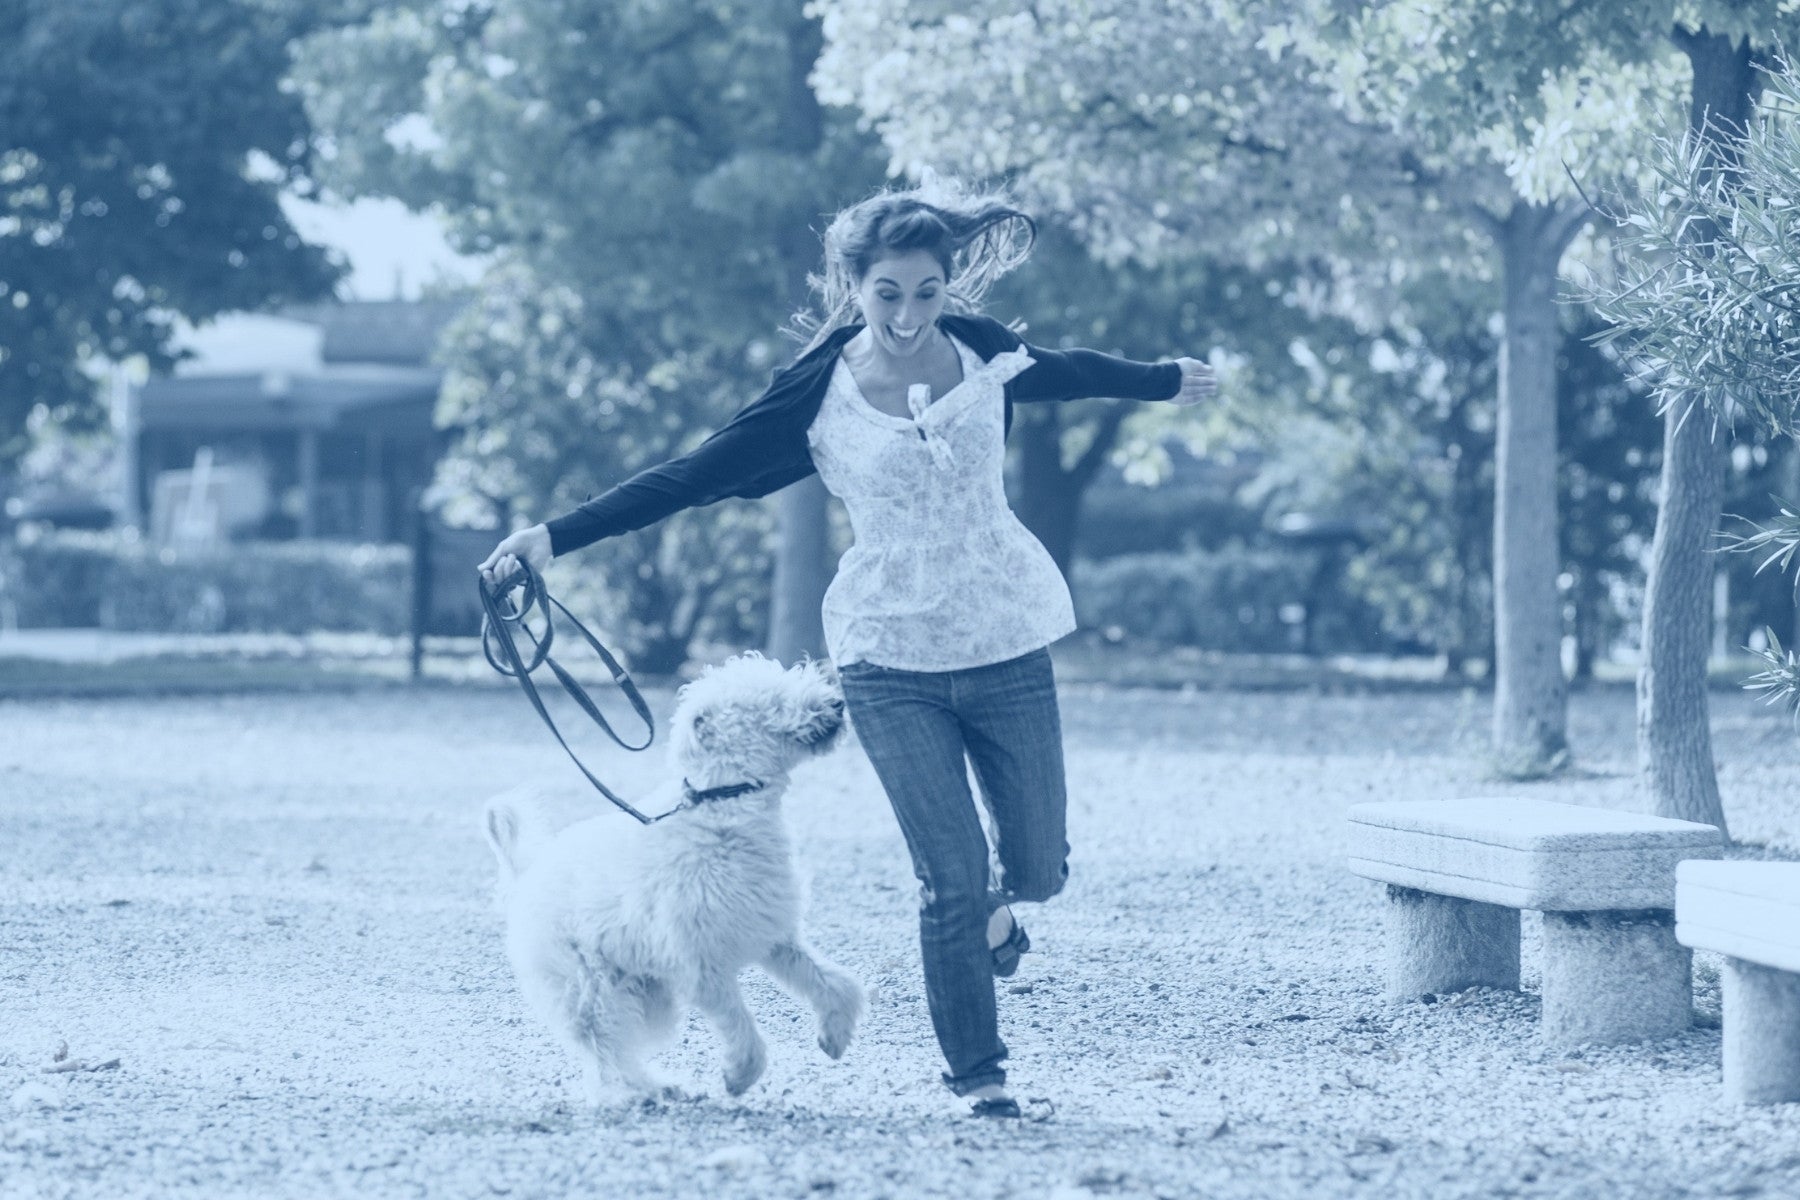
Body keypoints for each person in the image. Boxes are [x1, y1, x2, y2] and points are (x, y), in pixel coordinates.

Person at [479, 181, 1216, 1117]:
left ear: (948, 286)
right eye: (888, 294)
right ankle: (981, 1080)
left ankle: (999, 907)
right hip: (886, 654)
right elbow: (691, 475)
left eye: (927, 292)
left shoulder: (985, 350)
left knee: (1035, 870)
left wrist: (1159, 379)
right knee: (946, 880)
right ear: (853, 286)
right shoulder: (816, 395)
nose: (909, 315)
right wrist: (554, 536)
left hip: (1005, 642)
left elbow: (1068, 369)